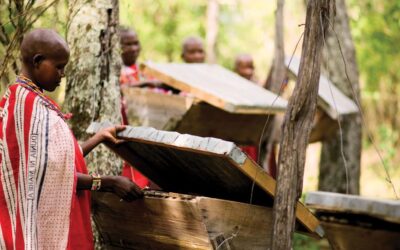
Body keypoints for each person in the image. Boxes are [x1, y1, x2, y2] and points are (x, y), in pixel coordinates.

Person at [0, 28, 143, 250]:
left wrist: (98, 138)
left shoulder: (17, 98)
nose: (62, 74)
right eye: (58, 67)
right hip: (38, 233)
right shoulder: (32, 110)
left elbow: (56, 165)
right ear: (38, 61)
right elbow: (49, 177)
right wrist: (108, 183)